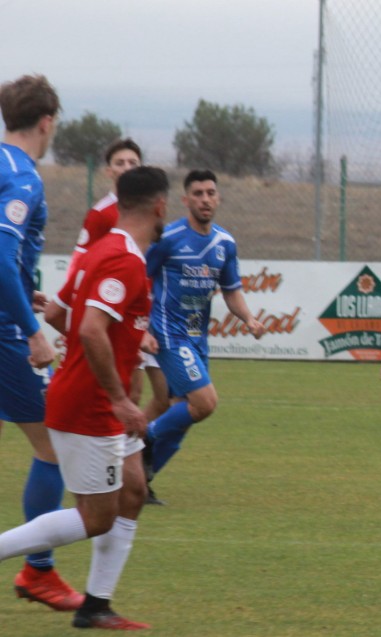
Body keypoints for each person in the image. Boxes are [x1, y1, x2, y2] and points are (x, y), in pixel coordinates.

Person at [0, 165, 170, 630]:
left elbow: (59, 312)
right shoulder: (124, 261)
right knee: (97, 517)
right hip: (91, 406)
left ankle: (96, 605)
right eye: (166, 207)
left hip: (94, 397)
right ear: (159, 206)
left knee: (133, 491)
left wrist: (121, 349)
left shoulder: (100, 249)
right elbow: (91, 327)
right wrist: (117, 394)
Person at [0, 73, 83, 612]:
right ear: (47, 121)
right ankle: (38, 571)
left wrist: (25, 290)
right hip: (5, 335)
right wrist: (33, 332)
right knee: (55, 446)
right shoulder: (23, 179)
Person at [144, 170, 264, 499]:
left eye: (210, 192)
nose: (205, 199)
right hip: (168, 334)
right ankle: (142, 441)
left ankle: (141, 480)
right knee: (205, 403)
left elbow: (231, 290)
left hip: (197, 339)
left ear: (218, 197)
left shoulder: (225, 243)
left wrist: (249, 319)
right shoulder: (167, 238)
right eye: (197, 193)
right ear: (185, 200)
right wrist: (141, 328)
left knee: (184, 415)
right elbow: (139, 281)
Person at [67, 139, 170, 459]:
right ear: (109, 170)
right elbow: (81, 265)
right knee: (129, 391)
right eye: (121, 162)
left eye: (133, 161)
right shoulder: (103, 215)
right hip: (110, 314)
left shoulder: (143, 219)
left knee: (148, 393)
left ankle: (128, 463)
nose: (127, 167)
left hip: (134, 311)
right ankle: (120, 464)